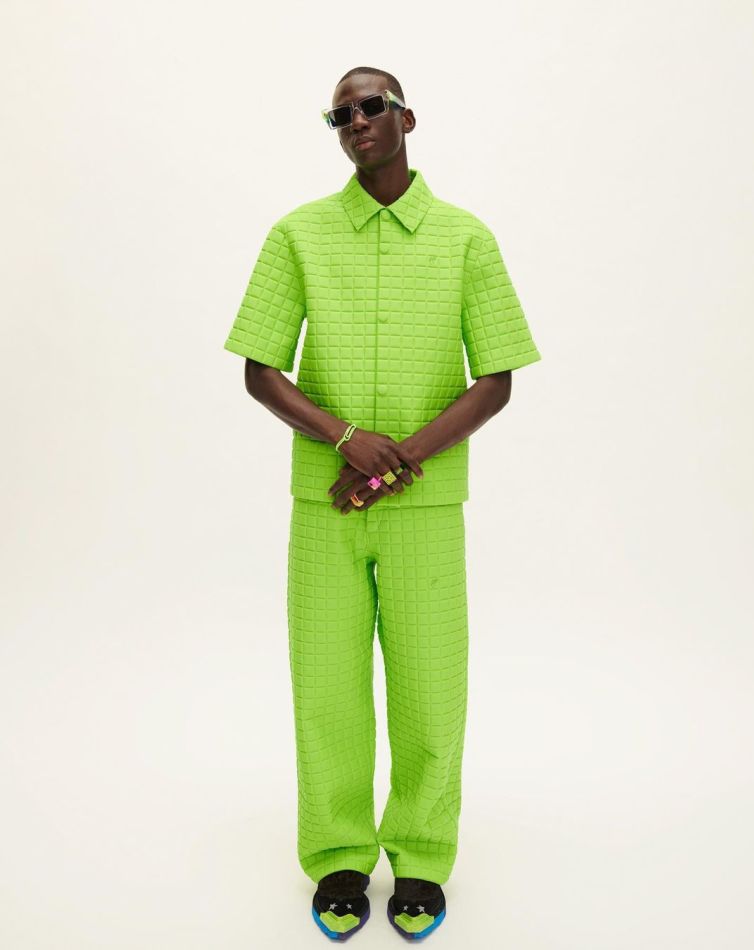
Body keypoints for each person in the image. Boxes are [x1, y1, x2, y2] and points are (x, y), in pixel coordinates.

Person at [223, 65, 541, 942]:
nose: (356, 121)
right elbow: (259, 369)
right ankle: (338, 857)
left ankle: (423, 857)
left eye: (372, 106)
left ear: (408, 117)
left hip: (425, 512)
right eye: (340, 114)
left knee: (431, 690)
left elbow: (497, 379)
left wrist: (394, 465)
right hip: (324, 508)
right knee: (327, 689)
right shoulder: (298, 235)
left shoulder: (466, 239)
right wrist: (344, 440)